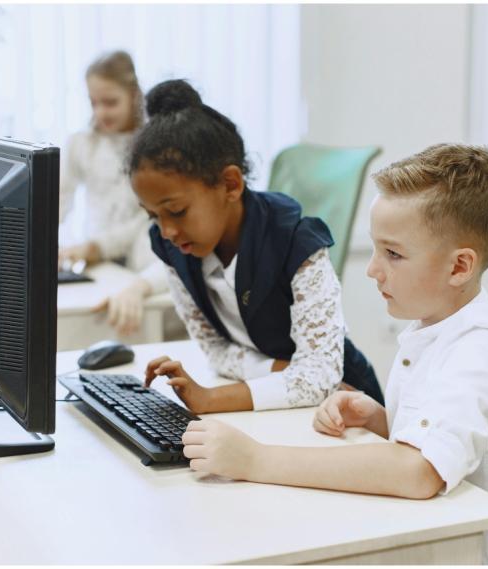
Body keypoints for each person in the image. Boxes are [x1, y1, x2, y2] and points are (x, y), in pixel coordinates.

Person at [180, 144, 488, 564]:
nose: (373, 269)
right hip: (433, 538)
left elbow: (420, 472)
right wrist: (383, 421)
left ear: (459, 267)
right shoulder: (434, 327)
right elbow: (455, 443)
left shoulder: (484, 349)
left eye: (394, 254)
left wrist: (254, 459)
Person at [128, 79, 383, 414]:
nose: (167, 231)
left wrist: (209, 399)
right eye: (153, 216)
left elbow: (320, 376)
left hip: (347, 407)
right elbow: (215, 351)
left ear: (230, 184)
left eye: (176, 211)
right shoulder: (173, 245)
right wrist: (280, 370)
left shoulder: (296, 241)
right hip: (273, 403)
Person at [58, 50, 166, 336]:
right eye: (94, 103)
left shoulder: (154, 145)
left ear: (134, 95)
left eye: (110, 102)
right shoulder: (82, 144)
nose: (100, 112)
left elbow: (148, 220)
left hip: (140, 262)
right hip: (99, 263)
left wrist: (97, 247)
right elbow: (55, 203)